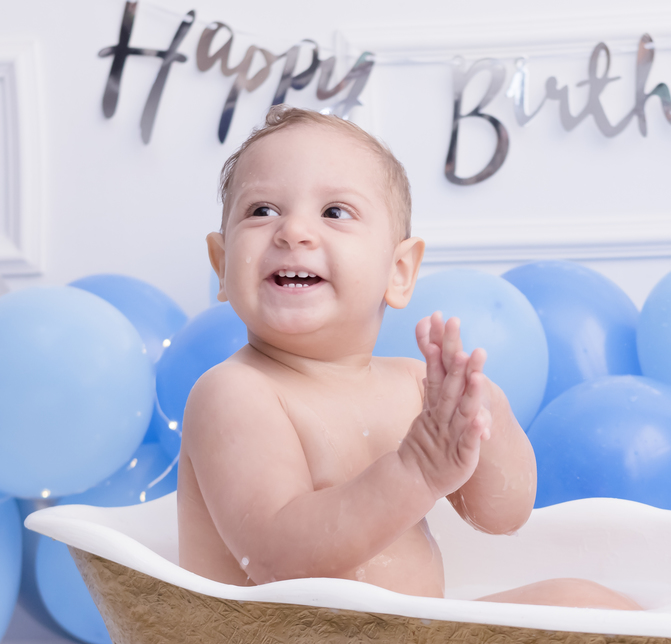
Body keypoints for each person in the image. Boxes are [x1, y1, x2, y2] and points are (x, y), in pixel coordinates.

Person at [177, 106, 639, 611]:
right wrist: (414, 472)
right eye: (263, 210)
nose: (294, 232)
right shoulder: (235, 393)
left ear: (398, 271)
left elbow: (502, 516)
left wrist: (480, 418)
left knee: (587, 602)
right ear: (222, 266)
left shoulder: (414, 388)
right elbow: (275, 557)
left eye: (334, 212)